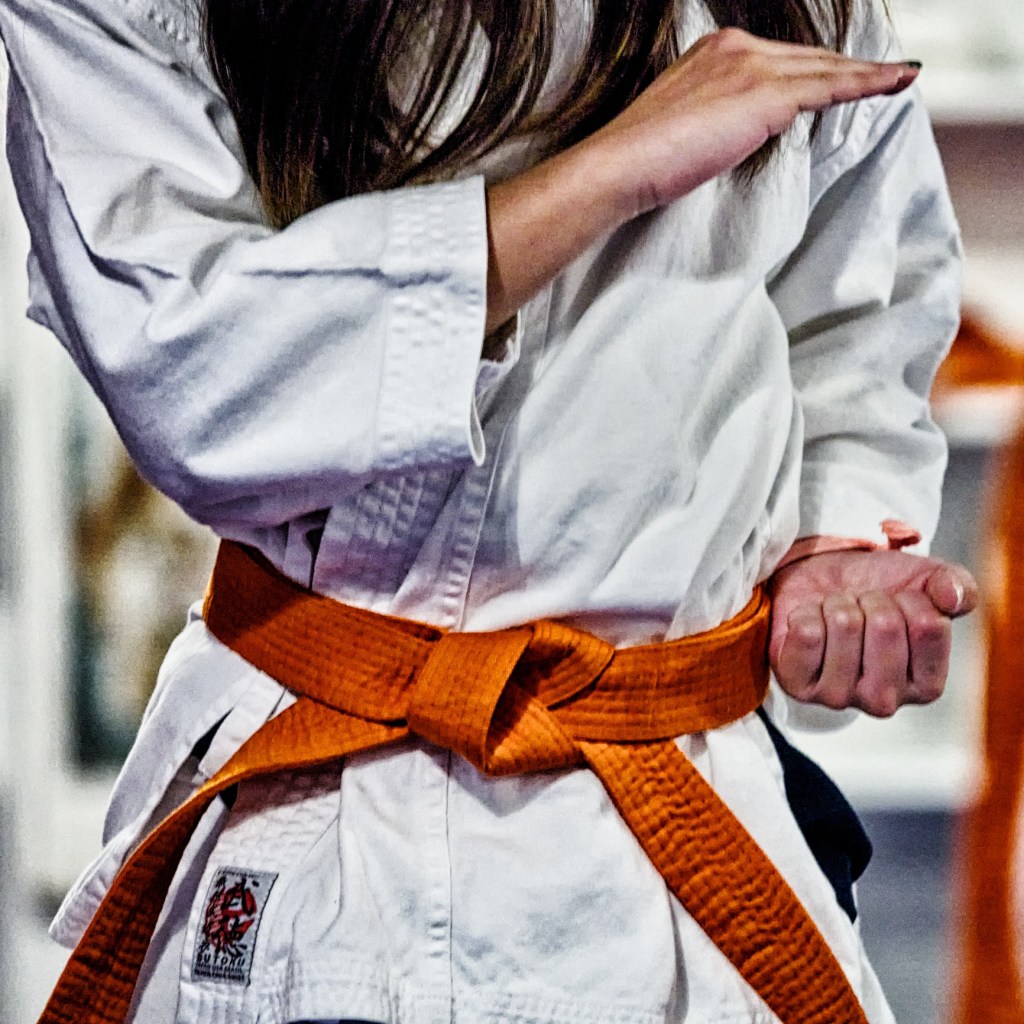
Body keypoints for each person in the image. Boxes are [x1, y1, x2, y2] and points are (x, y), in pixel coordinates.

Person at [0, 0, 978, 1021]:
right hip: (328, 864)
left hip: (677, 847)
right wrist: (608, 173)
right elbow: (202, 380)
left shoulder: (798, 12)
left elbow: (856, 326)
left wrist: (833, 539)